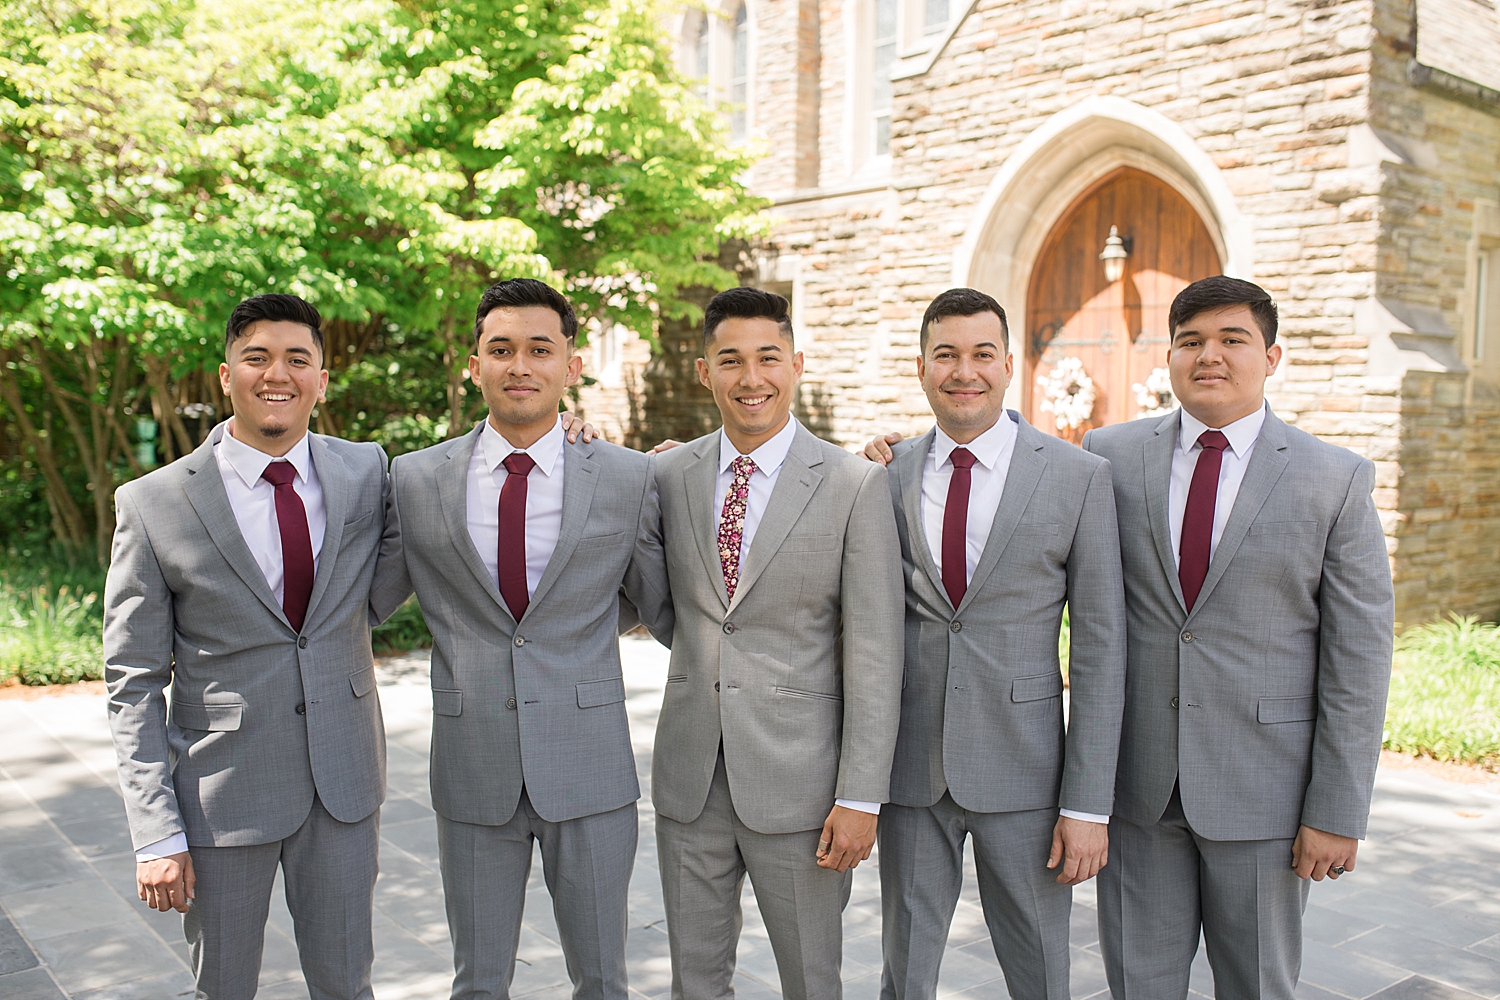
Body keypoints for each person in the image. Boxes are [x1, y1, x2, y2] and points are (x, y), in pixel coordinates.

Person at [1081, 275, 1393, 999]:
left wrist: (1337, 812)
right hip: (1139, 792)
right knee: (1137, 984)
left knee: (1256, 985)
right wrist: (905, 457)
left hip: (1268, 800)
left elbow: (1359, 659)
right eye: (1190, 341)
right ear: (1170, 357)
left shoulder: (1335, 479)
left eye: (1232, 339)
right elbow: (1015, 490)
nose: (1209, 356)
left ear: (1273, 356)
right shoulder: (1109, 455)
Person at [104, 293, 410, 1000]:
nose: (279, 374)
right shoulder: (154, 504)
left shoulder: (367, 472)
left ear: (322, 380)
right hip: (221, 796)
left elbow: (460, 493)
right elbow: (133, 680)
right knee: (225, 989)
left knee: (347, 985)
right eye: (258, 358)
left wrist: (557, 432)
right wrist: (155, 833)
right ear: (225, 375)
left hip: (343, 786)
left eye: (298, 359)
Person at [382, 278, 670, 1000]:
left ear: (572, 365)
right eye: (500, 349)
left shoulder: (627, 477)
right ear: (472, 363)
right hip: (473, 766)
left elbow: (658, 601)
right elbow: (362, 598)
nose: (520, 365)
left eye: (540, 349)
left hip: (591, 767)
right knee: (477, 983)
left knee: (604, 980)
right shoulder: (414, 480)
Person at [635, 286, 905, 1000]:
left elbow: (875, 654)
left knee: (812, 981)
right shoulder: (663, 475)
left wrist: (861, 797)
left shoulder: (855, 485)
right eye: (731, 361)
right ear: (704, 371)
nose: (750, 378)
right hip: (690, 779)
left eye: (768, 359)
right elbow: (668, 613)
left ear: (797, 364)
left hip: (806, 790)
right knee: (695, 983)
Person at [858, 288, 1126, 1000]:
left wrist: (1087, 805)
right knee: (904, 972)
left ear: (1010, 365)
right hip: (912, 767)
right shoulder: (883, 473)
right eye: (945, 354)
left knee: (1039, 970)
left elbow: (1101, 651)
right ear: (922, 368)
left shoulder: (1078, 477)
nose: (963, 371)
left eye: (981, 354)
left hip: (1028, 769)